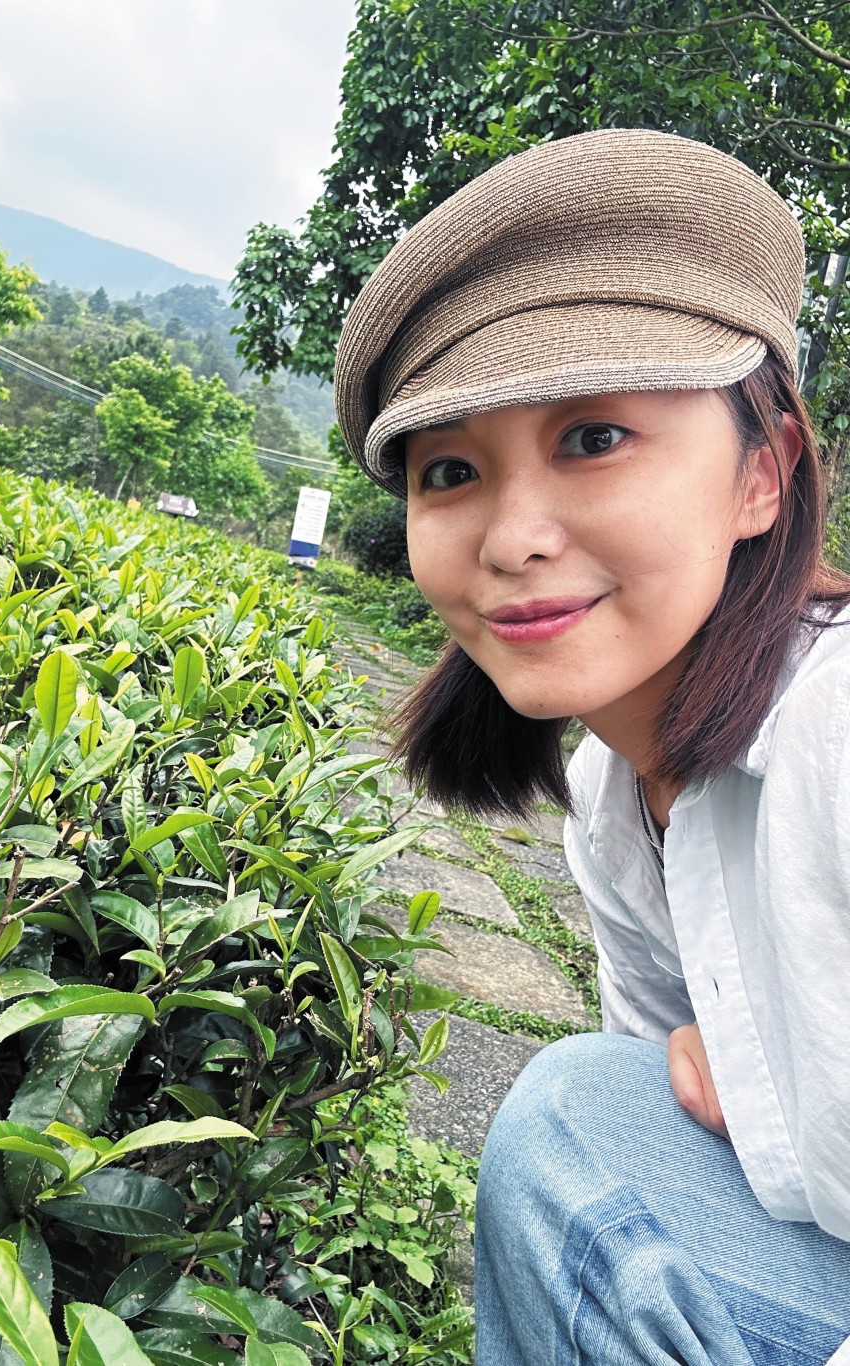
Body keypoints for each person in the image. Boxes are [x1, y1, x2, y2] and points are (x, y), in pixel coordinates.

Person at [332, 128, 850, 1364]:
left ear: (761, 476)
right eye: (449, 469)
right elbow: (659, 1119)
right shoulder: (612, 795)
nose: (511, 537)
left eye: (593, 438)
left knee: (573, 1118)